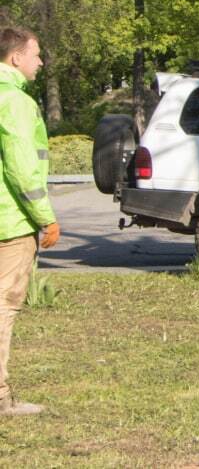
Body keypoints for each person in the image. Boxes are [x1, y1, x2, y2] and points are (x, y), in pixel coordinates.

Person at [0, 26, 59, 416]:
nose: (40, 62)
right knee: (3, 307)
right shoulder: (15, 101)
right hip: (10, 223)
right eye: (36, 54)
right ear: (15, 57)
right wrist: (46, 218)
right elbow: (23, 169)